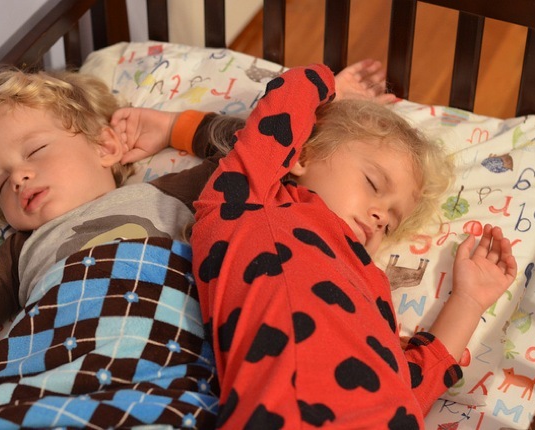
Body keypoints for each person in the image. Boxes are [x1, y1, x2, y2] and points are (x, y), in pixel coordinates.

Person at [0, 59, 395, 430]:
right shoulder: (23, 249)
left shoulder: (167, 193)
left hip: (160, 359)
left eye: (35, 150)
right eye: (0, 184)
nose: (18, 176)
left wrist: (174, 127)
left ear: (105, 145)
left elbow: (253, 150)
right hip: (45, 364)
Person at [186, 64, 517, 428]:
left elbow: (409, 385)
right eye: (373, 184)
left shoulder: (369, 284)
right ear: (303, 155)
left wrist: (468, 300)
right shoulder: (248, 204)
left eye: (390, 223)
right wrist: (333, 93)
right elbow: (293, 89)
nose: (380, 217)